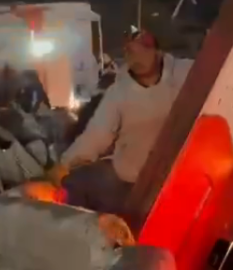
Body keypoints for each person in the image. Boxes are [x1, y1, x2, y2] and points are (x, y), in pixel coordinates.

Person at [52, 30, 193, 216]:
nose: (137, 58)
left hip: (186, 175)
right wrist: (65, 164)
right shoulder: (118, 92)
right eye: (131, 52)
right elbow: (97, 135)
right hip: (134, 179)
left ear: (157, 52)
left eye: (144, 50)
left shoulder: (187, 73)